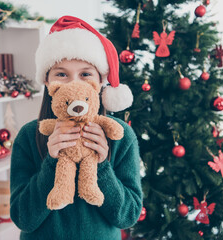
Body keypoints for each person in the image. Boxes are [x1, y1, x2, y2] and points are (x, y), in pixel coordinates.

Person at [10, 16, 143, 240]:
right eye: (61, 74)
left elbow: (128, 216)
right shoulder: (29, 136)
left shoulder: (120, 136)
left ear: (100, 82)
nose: (74, 84)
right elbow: (23, 218)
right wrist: (51, 164)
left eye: (85, 74)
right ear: (47, 83)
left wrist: (102, 167)